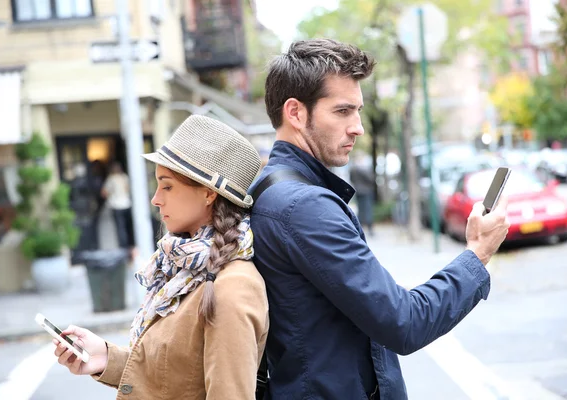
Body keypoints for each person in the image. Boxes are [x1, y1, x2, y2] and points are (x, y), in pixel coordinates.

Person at [248, 38, 510, 399]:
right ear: (295, 113)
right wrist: (477, 254)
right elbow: (405, 322)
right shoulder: (303, 207)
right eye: (342, 111)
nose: (358, 127)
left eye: (358, 111)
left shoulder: (268, 187)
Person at [53, 115, 269, 399]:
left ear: (207, 194)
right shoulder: (182, 269)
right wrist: (105, 358)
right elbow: (175, 378)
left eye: (166, 186)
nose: (156, 199)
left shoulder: (233, 287)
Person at [101, 162, 133, 248]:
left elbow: (104, 192)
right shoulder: (124, 177)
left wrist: (111, 196)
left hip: (116, 205)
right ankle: (131, 244)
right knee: (128, 226)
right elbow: (128, 189)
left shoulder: (111, 179)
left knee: (120, 228)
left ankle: (123, 246)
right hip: (126, 204)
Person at [349, 151, 376, 236]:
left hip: (358, 191)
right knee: (367, 210)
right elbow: (371, 179)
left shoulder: (352, 169)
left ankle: (360, 228)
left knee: (360, 210)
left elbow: (352, 179)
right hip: (366, 191)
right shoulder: (363, 169)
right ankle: (370, 230)